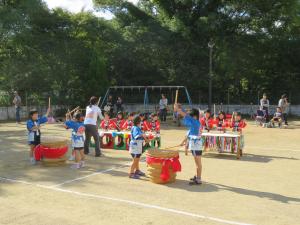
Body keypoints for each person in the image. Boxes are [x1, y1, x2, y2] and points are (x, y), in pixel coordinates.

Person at [174, 104, 203, 185]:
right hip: (195, 144)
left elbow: (185, 115)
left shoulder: (195, 122)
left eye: (191, 116)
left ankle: (199, 179)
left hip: (196, 145)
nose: (190, 118)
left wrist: (178, 109)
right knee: (197, 163)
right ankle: (197, 176)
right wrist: (183, 142)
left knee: (198, 163)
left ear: (195, 116)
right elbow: (188, 134)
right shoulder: (194, 124)